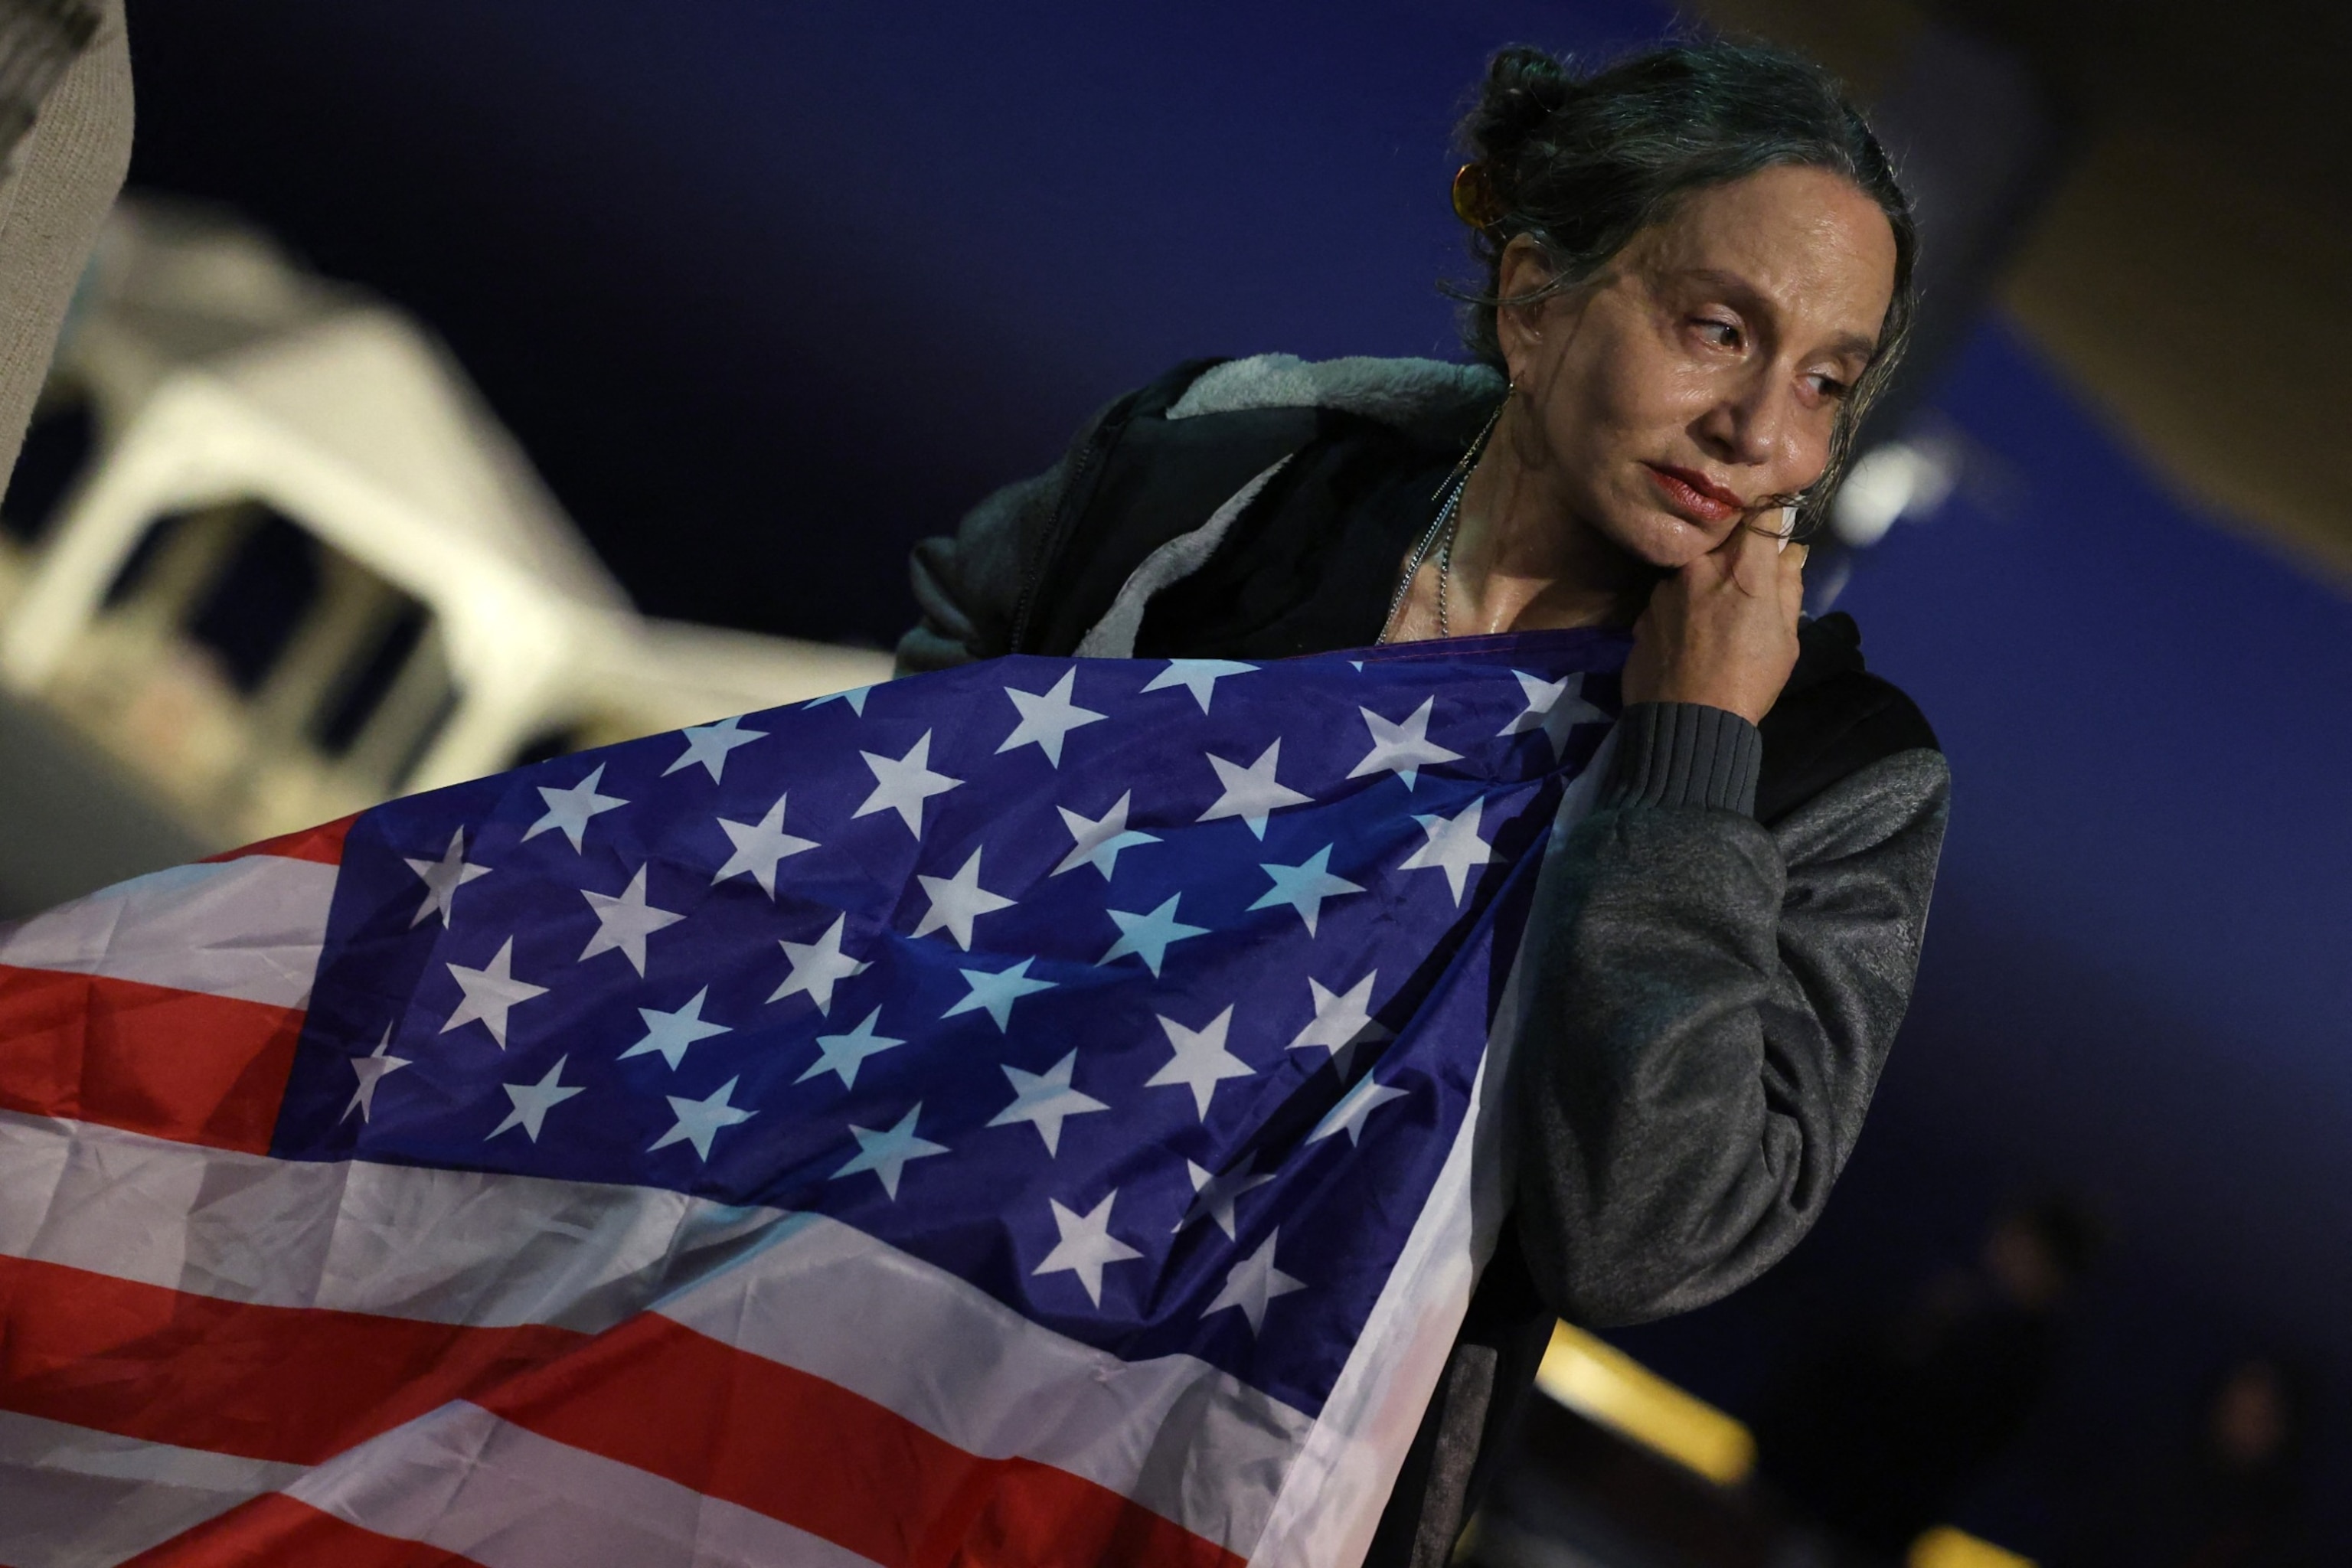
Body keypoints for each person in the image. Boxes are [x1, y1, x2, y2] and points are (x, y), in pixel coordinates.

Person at [896, 39, 1949, 1566]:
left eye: (1825, 383)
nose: (1764, 435)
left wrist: (1694, 762)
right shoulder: (1234, 468)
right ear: (1535, 305)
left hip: (1241, 1485)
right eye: (1719, 330)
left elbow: (1652, 1235)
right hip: (896, 1308)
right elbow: (931, 686)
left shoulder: (1834, 768)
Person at [1755, 1197, 2102, 1559]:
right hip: (1856, 1515)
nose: (1999, 1243)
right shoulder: (2004, 1337)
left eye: (2015, 1237)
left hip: (1850, 1515)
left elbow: (1914, 1419)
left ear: (2039, 1252)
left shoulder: (2002, 1347)